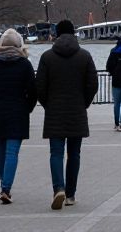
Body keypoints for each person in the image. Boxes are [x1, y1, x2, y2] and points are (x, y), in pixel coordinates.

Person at [35, 19, 98, 210]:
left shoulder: (47, 57)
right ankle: (70, 195)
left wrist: (48, 105)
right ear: (73, 33)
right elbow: (92, 85)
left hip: (54, 112)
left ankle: (58, 189)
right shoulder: (85, 56)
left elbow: (40, 87)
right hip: (76, 111)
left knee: (56, 153)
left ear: (57, 34)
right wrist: (83, 103)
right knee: (74, 154)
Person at [0, 29, 37, 204]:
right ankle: (6, 188)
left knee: (1, 151)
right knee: (12, 152)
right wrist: (27, 109)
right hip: (18, 112)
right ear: (20, 45)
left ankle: (4, 184)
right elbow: (33, 93)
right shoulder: (25, 65)